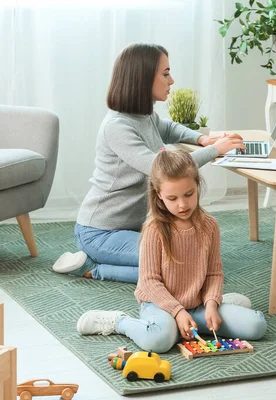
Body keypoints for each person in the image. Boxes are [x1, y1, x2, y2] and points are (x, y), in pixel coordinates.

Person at [52, 43, 245, 284]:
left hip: (134, 229)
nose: (171, 80)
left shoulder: (144, 115)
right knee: (181, 268)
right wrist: (215, 150)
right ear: (142, 78)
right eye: (165, 74)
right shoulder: (117, 127)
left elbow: (168, 127)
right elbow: (163, 168)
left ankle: (112, 260)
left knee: (193, 258)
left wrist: (202, 138)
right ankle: (92, 268)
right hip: (100, 233)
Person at [75, 150, 267, 351]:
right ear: (159, 195)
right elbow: (149, 282)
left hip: (198, 304)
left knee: (256, 326)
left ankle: (218, 303)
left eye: (189, 194)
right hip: (160, 305)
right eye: (172, 198)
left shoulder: (210, 226)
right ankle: (119, 322)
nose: (182, 204)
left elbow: (214, 273)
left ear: (197, 186)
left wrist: (211, 303)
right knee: (159, 341)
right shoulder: (153, 229)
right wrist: (178, 312)